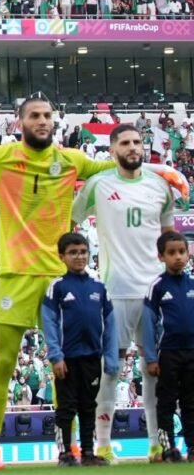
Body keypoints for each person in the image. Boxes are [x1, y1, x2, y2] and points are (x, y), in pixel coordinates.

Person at [0, 95, 187, 470]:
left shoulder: (72, 160)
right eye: (35, 116)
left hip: (60, 279)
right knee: (2, 363)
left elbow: (120, 163)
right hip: (15, 275)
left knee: (74, 369)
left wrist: (163, 170)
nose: (43, 121)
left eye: (48, 115)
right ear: (20, 122)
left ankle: (76, 446)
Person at [70, 123, 176, 461]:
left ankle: (156, 443)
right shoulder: (98, 185)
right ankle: (101, 442)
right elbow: (70, 219)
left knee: (153, 369)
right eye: (125, 143)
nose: (133, 148)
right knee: (110, 370)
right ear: (112, 149)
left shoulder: (159, 187)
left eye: (137, 143)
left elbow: (169, 236)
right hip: (113, 292)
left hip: (153, 295)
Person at [40, 232, 117, 466]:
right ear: (62, 256)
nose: (79, 256)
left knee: (88, 406)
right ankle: (65, 453)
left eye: (83, 251)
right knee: (67, 407)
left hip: (92, 358)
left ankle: (88, 453)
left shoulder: (99, 287)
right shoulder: (57, 287)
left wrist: (111, 358)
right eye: (73, 252)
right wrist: (56, 355)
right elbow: (49, 323)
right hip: (67, 360)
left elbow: (110, 324)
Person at [141, 230, 194, 463]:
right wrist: (151, 358)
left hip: (192, 352)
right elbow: (148, 324)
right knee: (167, 402)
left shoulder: (192, 284)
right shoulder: (157, 287)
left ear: (188, 254)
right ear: (161, 257)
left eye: (182, 252)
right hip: (169, 353)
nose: (178, 257)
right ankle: (168, 447)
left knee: (191, 402)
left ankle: (192, 447)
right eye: (172, 253)